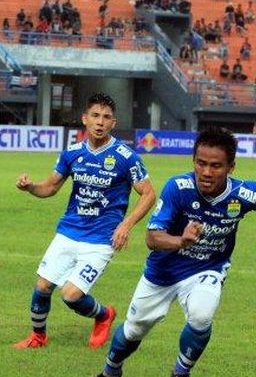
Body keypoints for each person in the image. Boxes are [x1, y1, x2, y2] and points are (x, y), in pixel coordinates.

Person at [84, 127, 256, 377]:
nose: (206, 172)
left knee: (202, 315)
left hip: (208, 268)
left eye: (216, 166)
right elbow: (151, 238)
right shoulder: (178, 188)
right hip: (163, 272)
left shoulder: (245, 193)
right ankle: (110, 373)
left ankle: (181, 372)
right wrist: (181, 240)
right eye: (200, 163)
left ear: (231, 167)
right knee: (133, 330)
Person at [13, 92, 156, 349]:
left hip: (102, 238)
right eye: (95, 116)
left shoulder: (126, 157)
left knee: (71, 295)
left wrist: (126, 224)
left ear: (114, 123)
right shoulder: (72, 153)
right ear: (84, 119)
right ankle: (38, 337)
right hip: (69, 230)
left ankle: (103, 315)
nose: (100, 122)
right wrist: (30, 187)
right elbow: (50, 187)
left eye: (106, 117)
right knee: (43, 285)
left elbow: (148, 193)